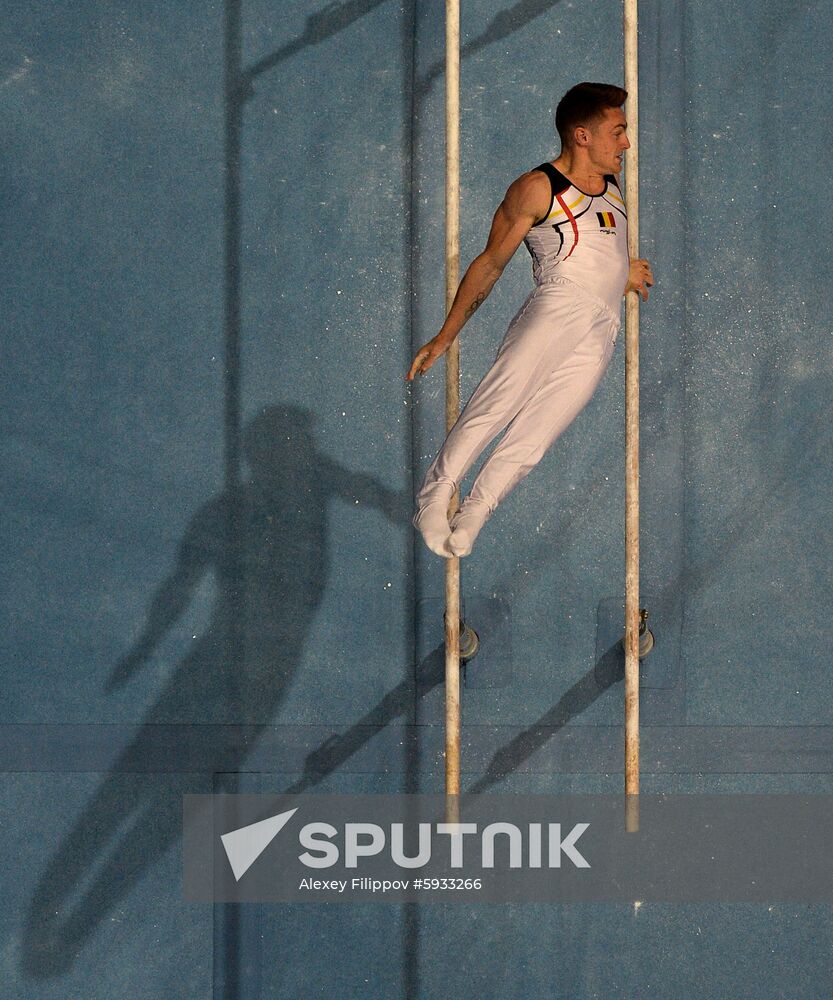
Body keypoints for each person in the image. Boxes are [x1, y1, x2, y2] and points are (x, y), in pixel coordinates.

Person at [407, 81, 653, 558]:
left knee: (537, 434)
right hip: (557, 307)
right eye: (618, 132)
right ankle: (434, 496)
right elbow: (490, 264)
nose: (625, 143)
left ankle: (476, 510)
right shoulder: (538, 188)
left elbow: (595, 257)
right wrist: (446, 335)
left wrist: (622, 274)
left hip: (602, 327)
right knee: (498, 404)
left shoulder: (614, 188)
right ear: (582, 135)